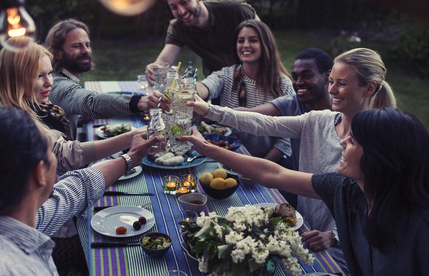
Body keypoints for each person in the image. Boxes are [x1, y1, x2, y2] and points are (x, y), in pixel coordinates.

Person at [187, 48, 397, 273]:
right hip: (301, 226)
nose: (332, 90)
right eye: (331, 81)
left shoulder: (378, 143)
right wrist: (210, 110)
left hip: (342, 249)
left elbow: (382, 209)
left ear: (370, 88)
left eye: (342, 84)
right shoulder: (320, 120)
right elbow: (264, 124)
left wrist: (334, 236)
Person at [179, 107, 429, 276]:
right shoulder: (346, 189)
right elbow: (274, 174)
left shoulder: (419, 223)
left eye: (352, 141)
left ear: (380, 157)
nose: (341, 141)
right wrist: (208, 149)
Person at [0, 37, 145, 275]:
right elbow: (67, 156)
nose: (49, 82)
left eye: (49, 73)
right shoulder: (20, 124)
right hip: (55, 224)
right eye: (39, 75)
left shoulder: (34, 107)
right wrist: (130, 140)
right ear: (15, 77)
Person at [0, 106, 158, 275]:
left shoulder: (1, 213)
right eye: (52, 152)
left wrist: (130, 159)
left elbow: (72, 191)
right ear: (40, 172)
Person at [45, 19, 170, 139]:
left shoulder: (62, 77)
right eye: (77, 46)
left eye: (87, 45)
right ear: (58, 53)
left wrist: (79, 118)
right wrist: (141, 102)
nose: (85, 51)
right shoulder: (57, 84)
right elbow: (91, 102)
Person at [196, 19, 294, 166]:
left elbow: (288, 139)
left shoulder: (282, 85)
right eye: (241, 41)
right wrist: (189, 90)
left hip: (268, 164)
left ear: (265, 45)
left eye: (253, 40)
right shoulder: (226, 75)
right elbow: (206, 86)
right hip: (229, 158)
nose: (245, 45)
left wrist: (258, 167)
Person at [145, 0, 259, 84]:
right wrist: (155, 68)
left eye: (184, 2)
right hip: (218, 84)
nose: (181, 11)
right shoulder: (177, 28)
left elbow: (265, 43)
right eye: (174, 7)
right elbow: (164, 60)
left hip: (255, 78)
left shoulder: (235, 9)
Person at [235, 48, 334, 171]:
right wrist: (209, 111)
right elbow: (249, 114)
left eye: (306, 76)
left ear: (327, 77)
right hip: (301, 183)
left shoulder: (344, 110)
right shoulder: (291, 103)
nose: (298, 83)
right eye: (295, 77)